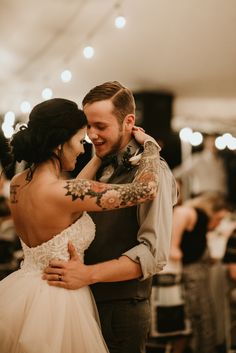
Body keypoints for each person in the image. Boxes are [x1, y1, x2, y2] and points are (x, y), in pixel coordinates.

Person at [0, 97, 160, 353]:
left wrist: (98, 158)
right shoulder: (66, 192)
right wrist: (151, 147)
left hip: (24, 291)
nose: (82, 148)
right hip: (59, 301)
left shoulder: (19, 183)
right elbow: (148, 189)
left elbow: (71, 195)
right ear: (59, 144)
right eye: (78, 141)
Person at [43, 81, 178, 353]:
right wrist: (96, 158)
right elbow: (69, 204)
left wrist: (87, 274)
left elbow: (153, 253)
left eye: (100, 126)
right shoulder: (98, 164)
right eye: (88, 126)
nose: (91, 134)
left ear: (129, 122)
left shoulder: (154, 173)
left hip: (119, 312)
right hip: (81, 302)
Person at [169, 191, 229, 353]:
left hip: (198, 277)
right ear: (212, 211)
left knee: (201, 318)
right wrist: (174, 246)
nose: (218, 224)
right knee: (195, 319)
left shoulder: (201, 224)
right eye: (219, 219)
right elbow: (181, 214)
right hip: (190, 276)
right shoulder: (193, 213)